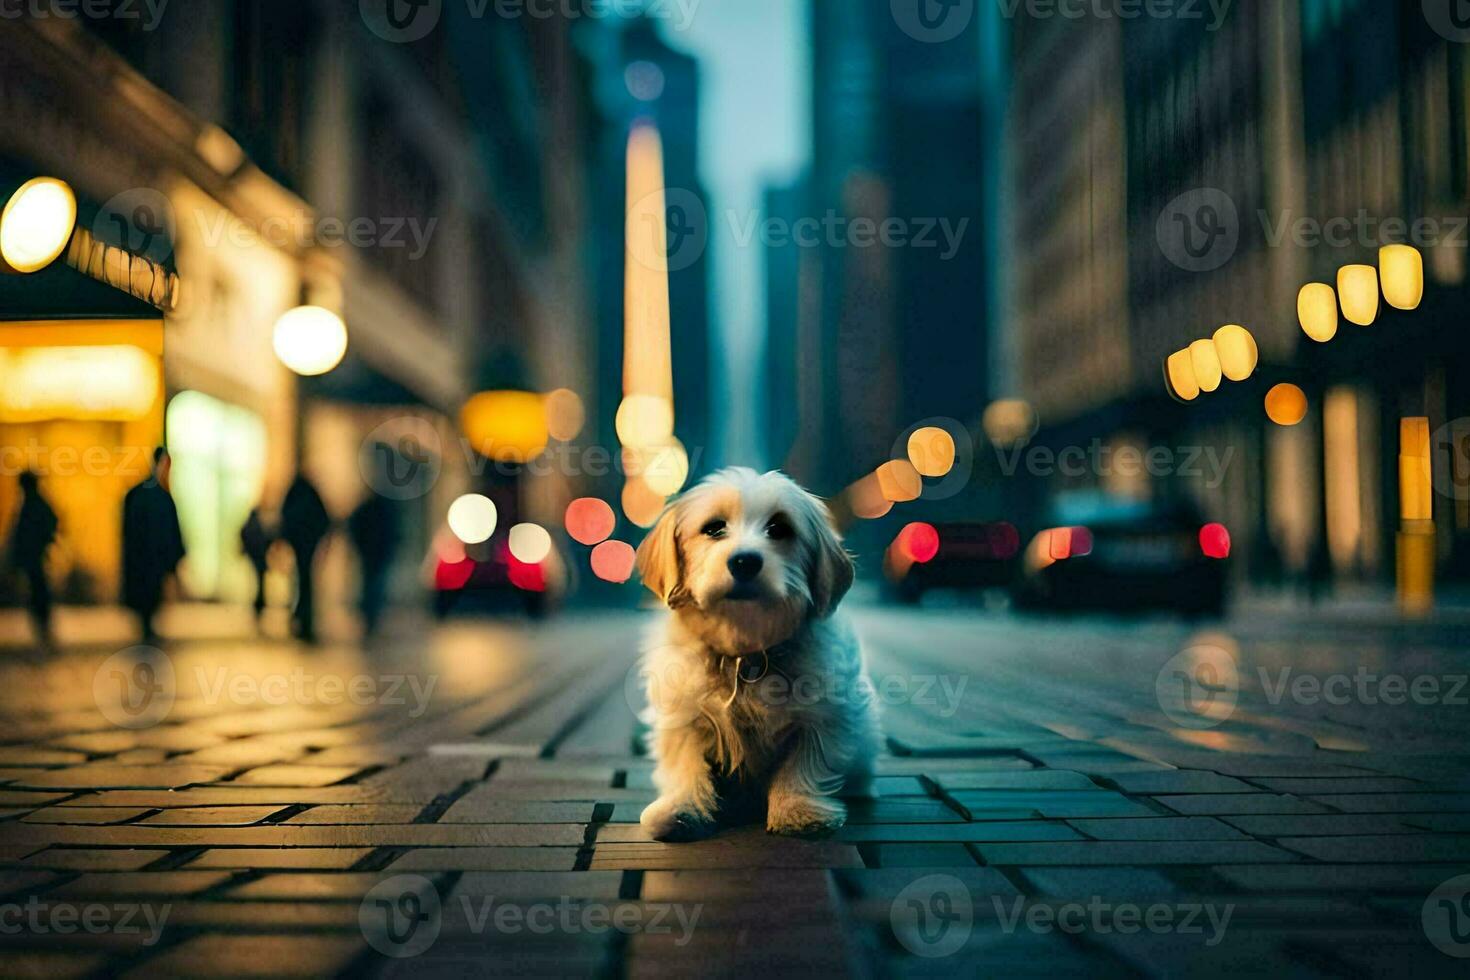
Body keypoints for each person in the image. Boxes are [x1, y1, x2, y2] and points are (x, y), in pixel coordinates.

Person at [121, 448, 186, 642]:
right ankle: (147, 627)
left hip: (144, 557)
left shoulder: (140, 493)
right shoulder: (157, 496)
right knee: (150, 592)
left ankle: (147, 626)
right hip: (150, 557)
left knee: (148, 593)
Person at [7, 471, 58, 648]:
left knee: (39, 590)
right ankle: (42, 627)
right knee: (38, 589)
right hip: (33, 556)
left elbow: (49, 523)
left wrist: (44, 542)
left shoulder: (34, 504)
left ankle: (43, 627)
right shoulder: (31, 503)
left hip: (34, 556)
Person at [280, 474, 330, 644]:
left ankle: (301, 620)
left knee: (301, 582)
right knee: (305, 583)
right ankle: (303, 620)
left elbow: (285, 517)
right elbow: (323, 519)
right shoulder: (307, 495)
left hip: (302, 544)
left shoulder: (295, 494)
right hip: (306, 544)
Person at [348, 492, 400, 639]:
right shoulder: (381, 510)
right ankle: (370, 619)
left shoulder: (371, 509)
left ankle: (370, 619)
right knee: (373, 588)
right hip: (374, 555)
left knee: (371, 588)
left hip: (372, 555)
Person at [240, 507, 273, 626]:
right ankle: (259, 604)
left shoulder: (252, 524)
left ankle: (259, 604)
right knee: (260, 582)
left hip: (256, 559)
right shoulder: (258, 525)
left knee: (258, 582)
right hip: (259, 559)